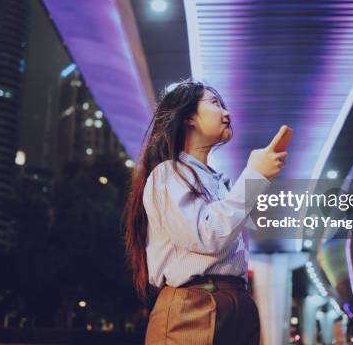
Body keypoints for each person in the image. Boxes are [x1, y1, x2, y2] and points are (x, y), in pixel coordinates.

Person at [124, 79, 289, 344]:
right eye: (215, 103)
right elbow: (208, 235)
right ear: (188, 116)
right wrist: (255, 176)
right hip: (193, 305)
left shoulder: (219, 183)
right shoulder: (167, 173)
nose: (227, 113)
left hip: (235, 302)